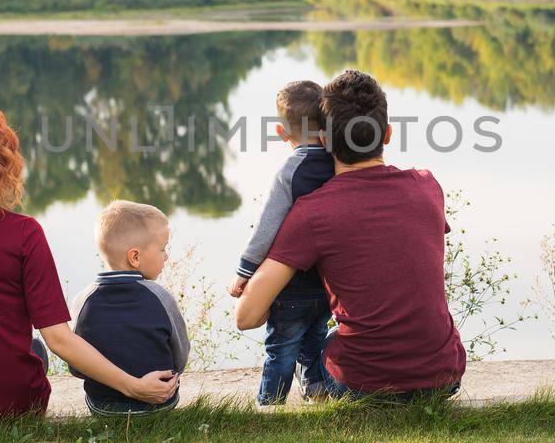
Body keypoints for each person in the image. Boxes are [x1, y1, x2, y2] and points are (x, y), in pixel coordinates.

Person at [0, 106, 177, 422]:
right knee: (36, 349)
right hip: (9, 404)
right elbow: (59, 338)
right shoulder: (23, 233)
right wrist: (134, 387)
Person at [232, 70, 465, 400]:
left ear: (324, 141)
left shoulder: (313, 213)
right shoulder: (427, 187)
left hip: (363, 385)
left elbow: (247, 316)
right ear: (386, 134)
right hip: (442, 376)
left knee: (321, 346)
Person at [229, 80, 335, 404]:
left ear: (281, 131)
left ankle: (269, 405)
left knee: (281, 350)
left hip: (289, 285)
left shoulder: (292, 169)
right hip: (327, 281)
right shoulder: (340, 163)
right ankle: (317, 395)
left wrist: (244, 271)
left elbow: (267, 226)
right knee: (315, 341)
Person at [71, 201, 190, 416]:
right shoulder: (160, 297)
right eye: (162, 249)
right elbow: (180, 355)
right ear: (135, 257)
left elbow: (77, 367)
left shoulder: (83, 300)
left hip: (103, 406)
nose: (166, 256)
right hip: (160, 402)